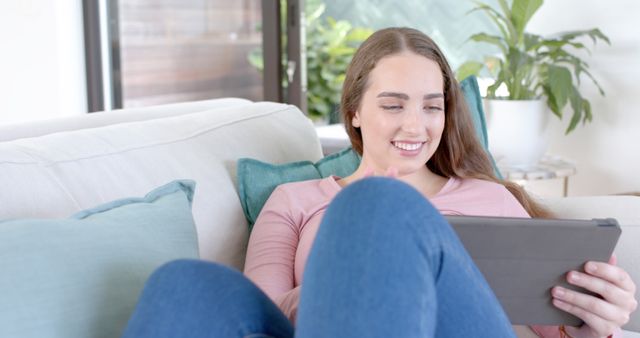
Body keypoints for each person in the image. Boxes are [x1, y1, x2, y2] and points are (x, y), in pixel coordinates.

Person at [121, 27, 637, 338]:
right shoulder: (295, 201)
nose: (415, 126)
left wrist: (596, 321)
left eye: (432, 107)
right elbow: (266, 309)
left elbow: (555, 327)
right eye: (393, 105)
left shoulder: (492, 198)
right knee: (184, 283)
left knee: (379, 207)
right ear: (356, 114)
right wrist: (359, 275)